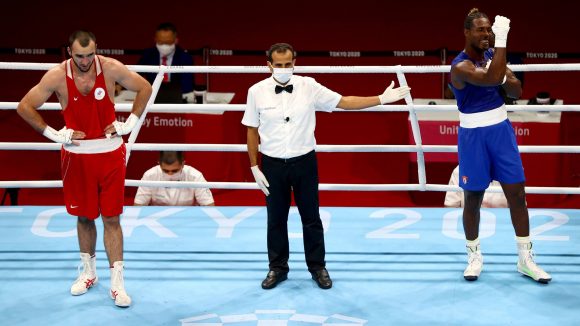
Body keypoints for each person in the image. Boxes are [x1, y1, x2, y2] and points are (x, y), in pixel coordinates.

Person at [242, 43, 410, 290]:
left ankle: (317, 267)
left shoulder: (308, 86)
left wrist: (381, 99)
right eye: (278, 65)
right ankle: (277, 268)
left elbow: (344, 101)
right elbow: (251, 129)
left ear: (294, 62)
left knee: (311, 218)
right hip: (272, 165)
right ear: (269, 65)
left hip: (304, 162)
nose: (283, 69)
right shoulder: (256, 91)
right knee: (275, 219)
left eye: (288, 64)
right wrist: (254, 166)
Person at [16, 30, 153, 307]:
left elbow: (145, 88)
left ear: (96, 49)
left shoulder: (110, 68)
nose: (85, 61)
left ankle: (118, 284)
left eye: (90, 54)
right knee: (84, 217)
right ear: (69, 52)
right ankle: (89, 273)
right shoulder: (57, 75)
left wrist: (131, 122)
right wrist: (55, 134)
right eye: (80, 56)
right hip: (76, 157)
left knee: (112, 218)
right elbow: (25, 106)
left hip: (110, 153)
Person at [449, 9, 551, 283]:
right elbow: (492, 80)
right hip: (473, 137)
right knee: (472, 198)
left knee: (517, 194)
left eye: (489, 31)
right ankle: (474, 255)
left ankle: (526, 259)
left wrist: (503, 73)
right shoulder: (459, 66)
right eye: (481, 30)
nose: (487, 35)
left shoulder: (494, 57)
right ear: (467, 32)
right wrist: (503, 44)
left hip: (500, 131)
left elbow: (517, 91)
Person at [137, 22, 195, 103]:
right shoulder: (148, 55)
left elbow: (187, 85)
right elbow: (135, 75)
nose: (164, 46)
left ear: (176, 40)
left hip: (177, 100)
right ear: (155, 40)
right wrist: (121, 86)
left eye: (168, 43)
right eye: (161, 42)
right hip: (150, 99)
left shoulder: (185, 58)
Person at [134, 151, 214, 206]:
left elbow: (209, 205)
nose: (170, 174)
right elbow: (138, 205)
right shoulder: (150, 175)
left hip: (188, 218)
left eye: (175, 170)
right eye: (165, 170)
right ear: (159, 164)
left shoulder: (195, 176)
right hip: (156, 218)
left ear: (183, 164)